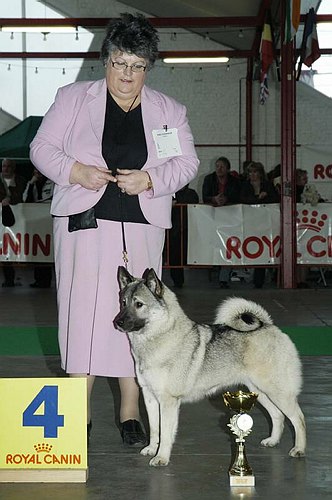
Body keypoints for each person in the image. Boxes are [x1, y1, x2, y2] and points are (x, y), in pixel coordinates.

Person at [30, 13, 199, 447]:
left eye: (138, 65)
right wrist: (75, 170)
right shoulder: (72, 99)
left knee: (140, 317)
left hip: (142, 225)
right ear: (105, 60)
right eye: (121, 63)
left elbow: (186, 163)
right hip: (85, 223)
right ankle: (76, 411)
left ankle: (129, 411)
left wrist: (152, 180)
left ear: (149, 68)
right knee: (82, 314)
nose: (128, 74)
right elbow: (41, 148)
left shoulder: (169, 112)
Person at [202, 156, 241, 288]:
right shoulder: (209, 179)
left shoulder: (235, 181)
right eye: (217, 166)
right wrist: (214, 199)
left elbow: (238, 196)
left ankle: (223, 277)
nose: (219, 168)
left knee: (228, 245)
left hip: (230, 217)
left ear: (228, 168)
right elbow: (205, 196)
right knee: (215, 243)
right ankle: (217, 268)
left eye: (222, 166)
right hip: (212, 217)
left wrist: (226, 199)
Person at [240, 161, 279, 288]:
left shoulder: (268, 185)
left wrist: (265, 197)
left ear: (260, 173)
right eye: (250, 172)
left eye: (255, 172)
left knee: (262, 248)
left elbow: (275, 199)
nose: (253, 174)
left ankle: (259, 279)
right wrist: (258, 198)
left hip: (265, 222)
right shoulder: (244, 185)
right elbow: (242, 199)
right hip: (249, 222)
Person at [23, 168, 54, 288]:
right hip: (36, 223)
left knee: (48, 251)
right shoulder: (31, 183)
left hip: (48, 221)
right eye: (35, 173)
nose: (38, 175)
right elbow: (26, 199)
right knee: (38, 251)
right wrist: (31, 183)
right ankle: (38, 280)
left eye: (39, 172)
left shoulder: (52, 183)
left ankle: (47, 280)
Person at [0, 158, 27, 287]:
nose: (6, 169)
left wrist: (9, 198)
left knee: (12, 248)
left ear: (13, 168)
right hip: (2, 221)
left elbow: (21, 196)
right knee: (4, 249)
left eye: (8, 166)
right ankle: (8, 279)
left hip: (17, 220)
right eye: (4, 166)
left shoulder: (21, 181)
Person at [168, 184, 199, 288]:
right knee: (173, 255)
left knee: (179, 254)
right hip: (171, 229)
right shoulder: (169, 192)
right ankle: (176, 280)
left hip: (185, 229)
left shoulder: (191, 193)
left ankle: (178, 280)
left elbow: (193, 203)